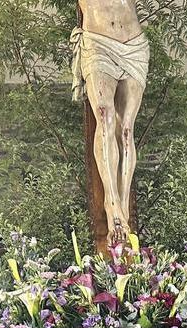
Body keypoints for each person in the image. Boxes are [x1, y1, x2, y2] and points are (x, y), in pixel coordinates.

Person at [71, 0, 149, 249]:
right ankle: (112, 204)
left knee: (126, 130)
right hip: (98, 42)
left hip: (134, 44)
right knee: (104, 117)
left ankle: (123, 208)